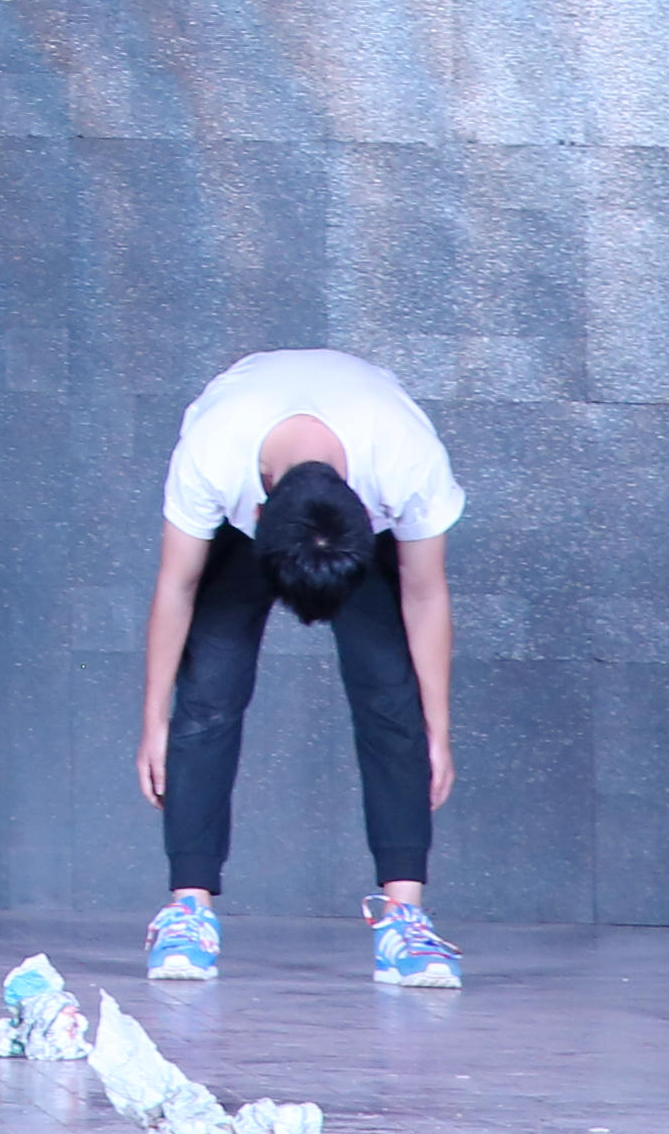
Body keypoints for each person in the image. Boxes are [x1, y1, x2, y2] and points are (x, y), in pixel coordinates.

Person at [134, 346, 465, 990]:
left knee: (391, 691)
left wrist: (439, 728)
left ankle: (405, 919)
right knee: (207, 694)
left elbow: (425, 593)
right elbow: (177, 584)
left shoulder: (405, 462)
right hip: (250, 501)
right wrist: (153, 720)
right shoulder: (214, 453)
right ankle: (187, 912)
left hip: (345, 509)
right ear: (257, 518)